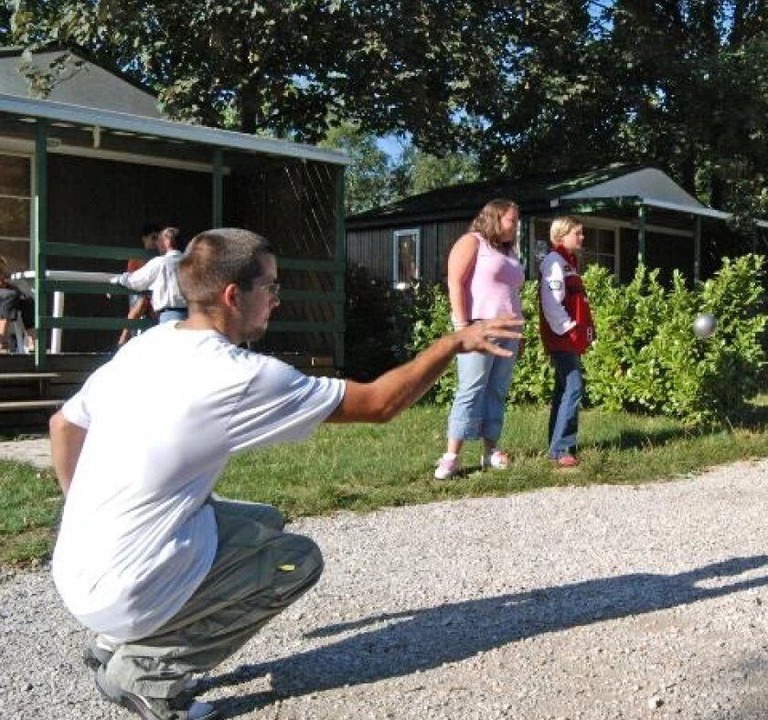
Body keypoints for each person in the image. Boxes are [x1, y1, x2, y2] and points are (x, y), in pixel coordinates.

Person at [48, 227, 522, 720]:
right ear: (234, 295)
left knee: (264, 521)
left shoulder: (147, 345)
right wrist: (452, 344)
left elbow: (62, 425)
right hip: (125, 590)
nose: (277, 300)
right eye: (271, 287)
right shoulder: (240, 375)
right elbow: (381, 404)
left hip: (75, 568)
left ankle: (114, 639)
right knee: (296, 559)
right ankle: (147, 671)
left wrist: (84, 514)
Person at [434, 199, 526, 480]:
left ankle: (491, 451)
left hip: (508, 329)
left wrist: (520, 333)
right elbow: (455, 283)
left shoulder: (509, 251)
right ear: (495, 218)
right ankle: (451, 456)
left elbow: (511, 293)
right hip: (478, 328)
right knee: (471, 389)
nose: (516, 225)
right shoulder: (472, 242)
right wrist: (462, 327)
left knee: (496, 390)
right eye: (512, 220)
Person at [538, 216, 596, 469]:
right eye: (577, 233)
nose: (582, 238)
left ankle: (556, 446)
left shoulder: (568, 263)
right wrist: (570, 330)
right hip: (561, 338)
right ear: (561, 236)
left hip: (569, 338)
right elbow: (551, 303)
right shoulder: (554, 262)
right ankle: (562, 449)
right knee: (573, 388)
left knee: (563, 390)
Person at [115, 224, 187, 323]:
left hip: (167, 315)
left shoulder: (160, 262)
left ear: (167, 242)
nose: (157, 243)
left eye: (160, 239)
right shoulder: (192, 263)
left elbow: (135, 281)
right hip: (191, 317)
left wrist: (117, 279)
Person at [117, 224, 160, 346]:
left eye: (158, 239)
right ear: (144, 239)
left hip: (155, 299)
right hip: (141, 298)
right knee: (141, 300)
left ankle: (123, 338)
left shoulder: (161, 258)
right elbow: (132, 281)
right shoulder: (136, 258)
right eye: (153, 238)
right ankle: (125, 337)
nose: (156, 242)